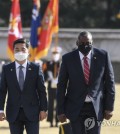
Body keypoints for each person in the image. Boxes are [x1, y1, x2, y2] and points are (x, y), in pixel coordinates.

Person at [57, 31, 115, 134]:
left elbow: (110, 83)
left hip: (96, 107)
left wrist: (109, 108)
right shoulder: (67, 59)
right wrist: (60, 111)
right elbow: (61, 85)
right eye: (82, 43)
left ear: (92, 42)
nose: (85, 46)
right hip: (75, 107)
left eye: (88, 43)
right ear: (77, 43)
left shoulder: (103, 56)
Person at [0, 38, 47, 134]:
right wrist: (0, 110)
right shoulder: (6, 69)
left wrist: (43, 109)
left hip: (32, 112)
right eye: (17, 49)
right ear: (13, 51)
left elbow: (41, 90)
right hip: (13, 112)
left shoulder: (36, 68)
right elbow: (2, 91)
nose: (20, 52)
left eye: (23, 49)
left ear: (28, 51)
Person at [43, 46, 62, 127]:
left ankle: (57, 121)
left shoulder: (62, 63)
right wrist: (49, 77)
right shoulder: (47, 63)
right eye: (53, 53)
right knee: (50, 104)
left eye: (56, 53)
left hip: (59, 87)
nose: (55, 54)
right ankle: (50, 121)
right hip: (51, 86)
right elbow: (44, 73)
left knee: (58, 104)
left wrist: (58, 79)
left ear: (59, 54)